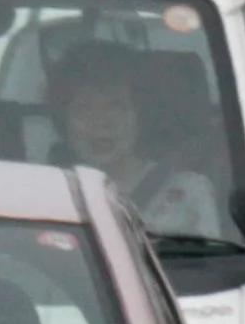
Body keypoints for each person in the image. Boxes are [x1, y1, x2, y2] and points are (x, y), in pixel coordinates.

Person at [49, 48, 225, 240]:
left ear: (140, 116)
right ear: (63, 121)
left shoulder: (187, 191)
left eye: (117, 105)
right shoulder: (46, 192)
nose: (101, 121)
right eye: (84, 107)